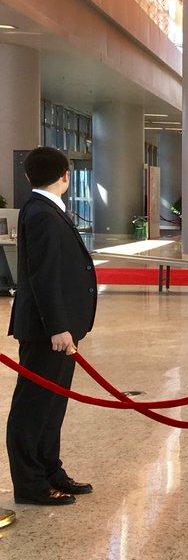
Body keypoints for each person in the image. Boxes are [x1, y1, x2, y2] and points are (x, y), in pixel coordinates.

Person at [6, 147, 97, 506]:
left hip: (59, 328)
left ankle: (49, 470)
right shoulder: (42, 213)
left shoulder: (45, 208)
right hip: (48, 330)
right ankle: (30, 483)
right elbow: (42, 275)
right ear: (65, 176)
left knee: (52, 404)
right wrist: (58, 326)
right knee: (34, 406)